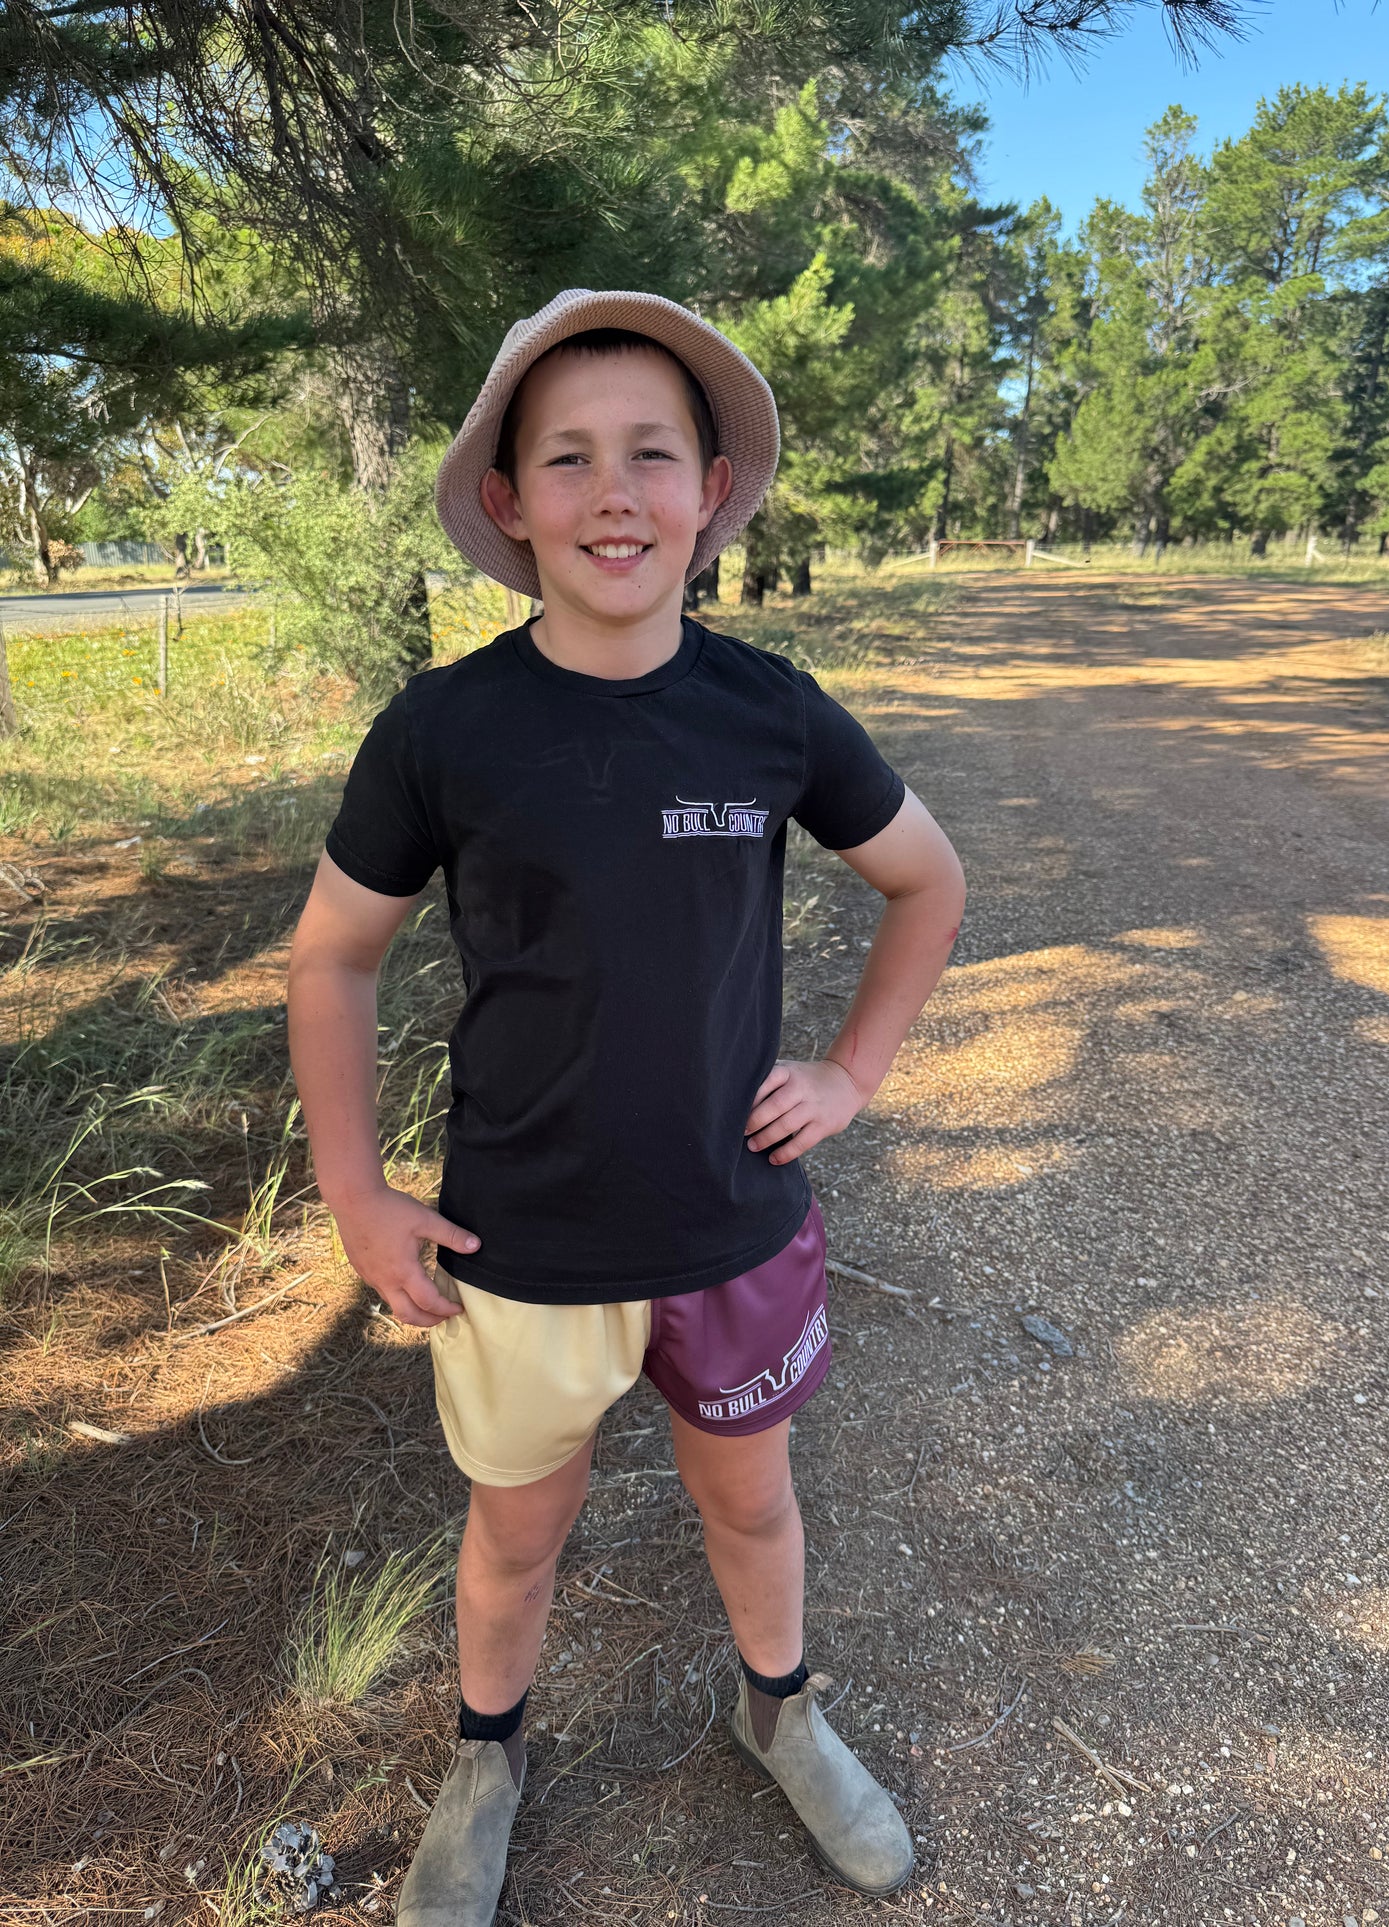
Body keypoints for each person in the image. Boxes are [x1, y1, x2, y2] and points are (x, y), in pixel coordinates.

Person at [286, 288, 967, 1926]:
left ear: (710, 490)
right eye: (568, 458)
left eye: (651, 454)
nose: (614, 492)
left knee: (752, 1500)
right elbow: (332, 960)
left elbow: (926, 881)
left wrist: (851, 1073)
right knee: (516, 1537)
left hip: (732, 1225)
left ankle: (778, 1713)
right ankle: (485, 1759)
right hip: (520, 1245)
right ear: (509, 501)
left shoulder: (769, 709)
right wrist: (356, 1194)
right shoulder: (445, 729)